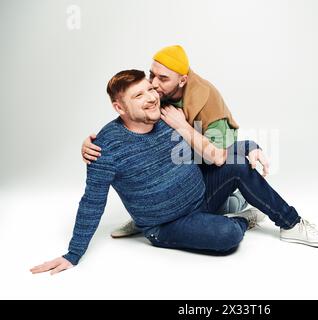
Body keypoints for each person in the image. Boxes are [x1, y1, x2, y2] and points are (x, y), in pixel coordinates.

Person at [30, 70, 318, 275]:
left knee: (241, 165)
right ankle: (239, 218)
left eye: (150, 89)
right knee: (227, 236)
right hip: (166, 224)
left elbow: (215, 146)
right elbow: (92, 202)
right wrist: (73, 254)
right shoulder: (106, 146)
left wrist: (251, 145)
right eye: (138, 96)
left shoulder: (167, 116)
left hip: (202, 193)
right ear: (119, 107)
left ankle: (292, 224)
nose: (151, 97)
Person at [81, 45, 255, 238]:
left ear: (182, 80)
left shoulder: (207, 106)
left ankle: (238, 207)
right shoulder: (159, 99)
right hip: (164, 212)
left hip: (206, 168)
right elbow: (131, 115)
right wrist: (95, 143)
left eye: (162, 79)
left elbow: (220, 156)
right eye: (151, 76)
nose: (154, 85)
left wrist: (251, 147)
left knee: (227, 201)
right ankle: (147, 217)